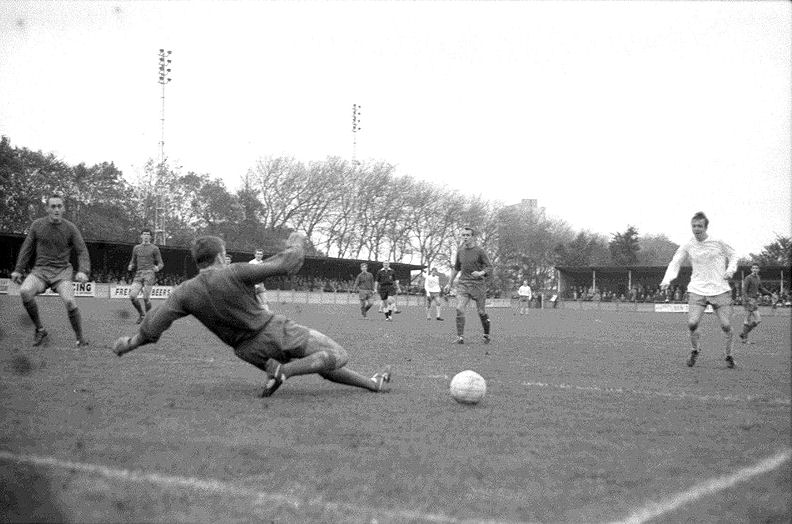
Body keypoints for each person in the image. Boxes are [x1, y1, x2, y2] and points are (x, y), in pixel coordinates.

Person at [112, 233, 391, 397]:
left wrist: (130, 343)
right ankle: (285, 371)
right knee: (337, 355)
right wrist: (295, 242)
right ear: (221, 256)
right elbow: (287, 263)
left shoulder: (185, 292)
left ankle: (372, 384)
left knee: (319, 364)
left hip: (247, 351)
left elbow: (154, 325)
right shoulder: (234, 272)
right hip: (273, 330)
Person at [11, 193, 90, 347]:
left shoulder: (71, 228)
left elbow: (82, 251)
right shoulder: (37, 225)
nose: (56, 209)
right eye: (53, 206)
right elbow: (27, 248)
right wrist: (18, 269)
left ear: (64, 209)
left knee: (69, 301)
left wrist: (83, 270)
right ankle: (40, 330)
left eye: (59, 206)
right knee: (25, 291)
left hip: (62, 272)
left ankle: (80, 338)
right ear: (47, 208)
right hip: (40, 271)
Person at [660, 211, 738, 368]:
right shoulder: (688, 244)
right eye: (694, 225)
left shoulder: (718, 242)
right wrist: (667, 279)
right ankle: (695, 350)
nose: (696, 229)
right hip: (697, 289)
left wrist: (730, 269)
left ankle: (729, 355)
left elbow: (734, 254)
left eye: (699, 226)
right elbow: (675, 262)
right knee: (692, 323)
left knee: (726, 326)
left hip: (720, 289)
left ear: (706, 227)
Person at [444, 226, 492, 344]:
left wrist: (480, 273)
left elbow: (489, 267)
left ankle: (486, 334)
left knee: (481, 312)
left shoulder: (480, 251)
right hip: (463, 284)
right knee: (459, 308)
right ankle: (460, 337)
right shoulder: (460, 251)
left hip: (478, 285)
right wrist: (449, 283)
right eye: (463, 235)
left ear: (473, 237)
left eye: (468, 235)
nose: (465, 237)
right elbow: (456, 269)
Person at [127, 228, 165, 324]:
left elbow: (161, 263)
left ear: (151, 237)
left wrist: (158, 268)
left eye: (148, 234)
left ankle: (148, 318)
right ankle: (142, 314)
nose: (146, 236)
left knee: (145, 297)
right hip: (139, 274)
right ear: (141, 236)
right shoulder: (136, 248)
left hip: (149, 273)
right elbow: (133, 260)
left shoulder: (155, 248)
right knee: (132, 296)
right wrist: (131, 265)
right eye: (144, 234)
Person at [739, 263, 772, 344]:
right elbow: (744, 290)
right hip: (748, 300)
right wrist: (747, 300)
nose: (755, 269)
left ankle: (743, 334)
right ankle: (745, 339)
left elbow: (761, 288)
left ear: (758, 270)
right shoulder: (748, 278)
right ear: (751, 269)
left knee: (758, 320)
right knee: (747, 319)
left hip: (754, 300)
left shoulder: (758, 278)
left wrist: (770, 294)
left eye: (756, 268)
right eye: (753, 268)